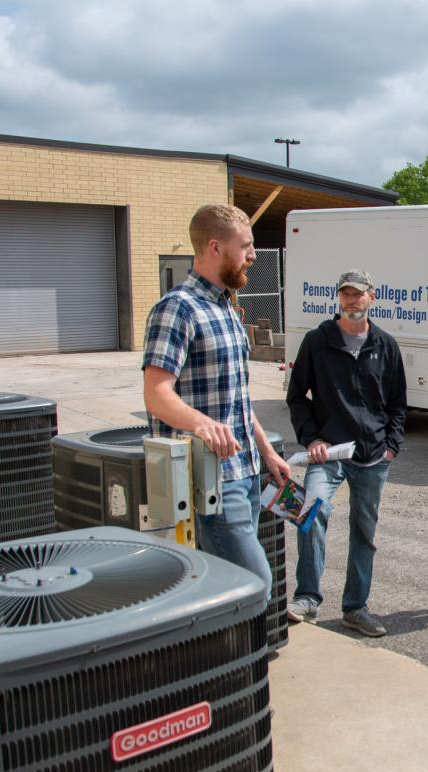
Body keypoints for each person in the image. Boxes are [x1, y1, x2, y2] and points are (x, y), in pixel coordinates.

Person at [143, 203, 289, 597]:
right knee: (255, 585)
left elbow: (236, 400)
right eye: (246, 246)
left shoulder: (226, 308)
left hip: (244, 471)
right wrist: (203, 425)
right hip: (211, 480)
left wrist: (266, 452)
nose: (254, 256)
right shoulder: (177, 309)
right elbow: (156, 395)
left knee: (229, 589)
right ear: (215, 248)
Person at [285, 270, 407, 637]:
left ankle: (356, 608)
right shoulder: (317, 341)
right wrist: (311, 439)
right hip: (328, 453)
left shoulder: (385, 345)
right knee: (310, 511)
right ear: (338, 299)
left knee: (364, 533)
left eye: (359, 294)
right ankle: (307, 598)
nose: (352, 301)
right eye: (346, 295)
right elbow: (296, 398)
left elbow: (399, 404)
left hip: (372, 456)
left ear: (372, 297)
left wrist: (391, 446)